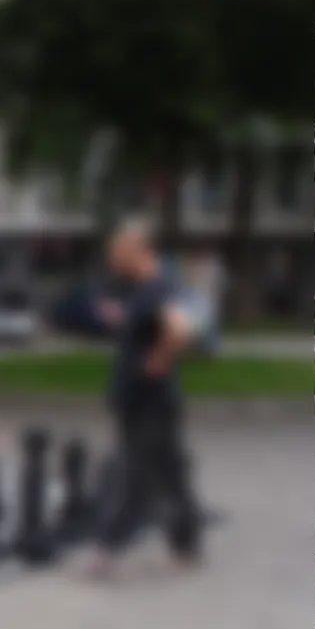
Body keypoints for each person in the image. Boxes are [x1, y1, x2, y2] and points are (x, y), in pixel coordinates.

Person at [80, 218, 202, 578]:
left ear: (135, 250)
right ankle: (186, 543)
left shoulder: (155, 287)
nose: (112, 260)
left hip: (149, 404)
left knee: (134, 473)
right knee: (171, 472)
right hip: (146, 402)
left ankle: (106, 548)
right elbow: (152, 326)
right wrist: (124, 321)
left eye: (115, 252)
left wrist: (156, 362)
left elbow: (180, 329)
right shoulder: (142, 290)